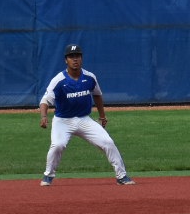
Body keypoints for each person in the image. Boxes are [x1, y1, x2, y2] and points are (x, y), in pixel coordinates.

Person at [38, 44, 134, 187]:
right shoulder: (59, 80)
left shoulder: (89, 77)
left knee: (107, 142)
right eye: (71, 56)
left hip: (84, 119)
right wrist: (44, 116)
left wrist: (102, 116)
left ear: (81, 58)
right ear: (66, 60)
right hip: (63, 121)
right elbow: (45, 101)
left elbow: (97, 95)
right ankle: (48, 175)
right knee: (58, 145)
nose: (75, 59)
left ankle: (122, 176)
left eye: (77, 56)